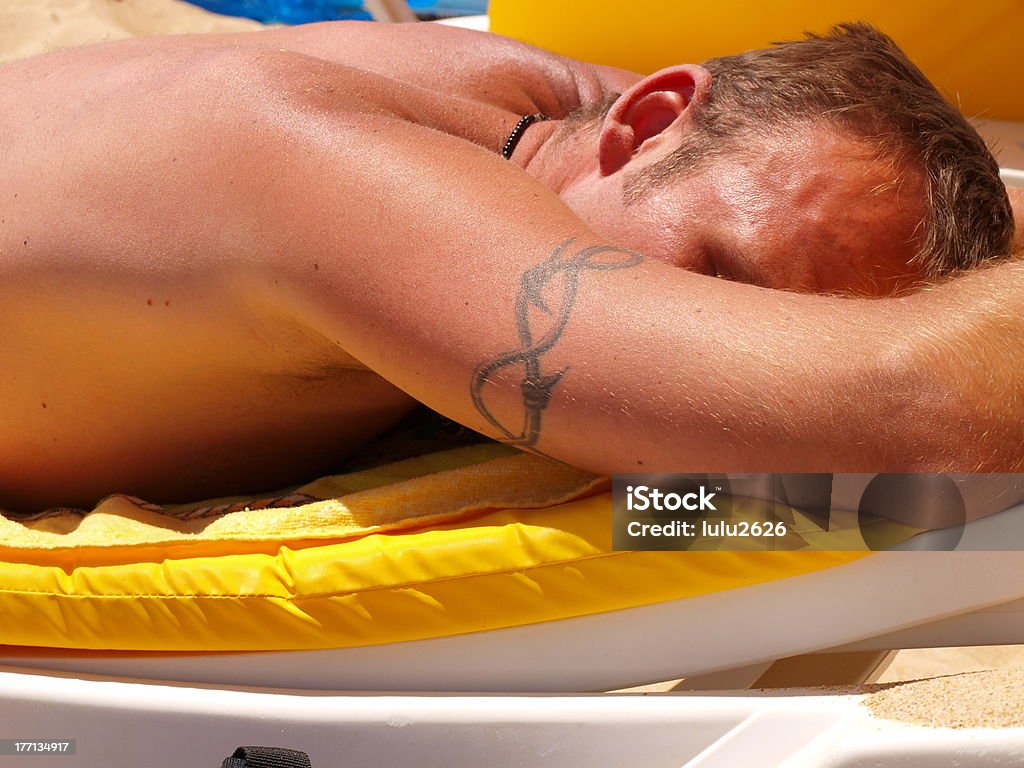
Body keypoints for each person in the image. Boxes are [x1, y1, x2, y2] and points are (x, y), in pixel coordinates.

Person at [0, 20, 1016, 513]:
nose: (722, 338)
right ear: (648, 119)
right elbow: (913, 407)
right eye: (715, 278)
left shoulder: (576, 123)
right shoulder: (318, 163)